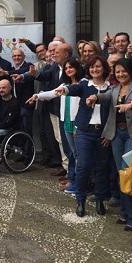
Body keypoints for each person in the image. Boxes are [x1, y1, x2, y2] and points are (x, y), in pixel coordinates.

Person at [96, 58, 132, 230]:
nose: (120, 74)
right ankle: (126, 212)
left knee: (130, 173)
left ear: (131, 70)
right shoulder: (115, 88)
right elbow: (105, 97)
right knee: (122, 173)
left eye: (123, 71)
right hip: (117, 135)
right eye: (117, 71)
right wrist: (94, 97)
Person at [56, 56, 112, 218]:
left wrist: (109, 133)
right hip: (84, 132)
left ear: (104, 69)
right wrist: (64, 90)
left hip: (103, 133)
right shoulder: (84, 85)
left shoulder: (111, 88)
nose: (95, 70)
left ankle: (100, 199)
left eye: (98, 67)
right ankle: (80, 200)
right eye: (92, 67)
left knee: (101, 167)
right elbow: (73, 89)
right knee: (84, 166)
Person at [27, 58, 84, 193]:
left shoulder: (83, 83)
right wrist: (37, 96)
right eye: (66, 68)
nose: (69, 70)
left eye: (71, 67)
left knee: (79, 155)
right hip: (65, 121)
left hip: (78, 124)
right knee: (70, 153)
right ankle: (72, 179)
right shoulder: (64, 84)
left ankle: (80, 183)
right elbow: (52, 94)